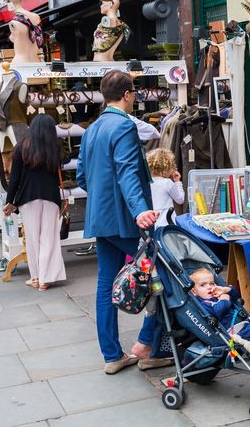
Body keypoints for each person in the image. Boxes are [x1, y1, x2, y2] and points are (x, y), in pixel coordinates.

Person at [76, 70, 165, 374]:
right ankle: (147, 346)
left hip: (100, 219)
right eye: (134, 93)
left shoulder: (91, 129)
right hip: (124, 220)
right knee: (161, 274)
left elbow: (82, 178)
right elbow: (128, 172)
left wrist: (104, 199)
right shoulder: (125, 126)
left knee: (105, 285)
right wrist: (139, 209)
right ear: (128, 95)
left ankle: (112, 356)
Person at [2, 114, 66, 291]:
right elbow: (64, 162)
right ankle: (46, 278)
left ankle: (36, 277)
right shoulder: (55, 147)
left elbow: (14, 179)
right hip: (51, 197)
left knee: (32, 239)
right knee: (49, 237)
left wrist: (10, 201)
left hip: (28, 198)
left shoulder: (22, 147)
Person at [145, 148, 184, 227]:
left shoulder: (147, 183)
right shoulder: (167, 182)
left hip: (151, 222)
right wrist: (178, 182)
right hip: (167, 222)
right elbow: (180, 199)